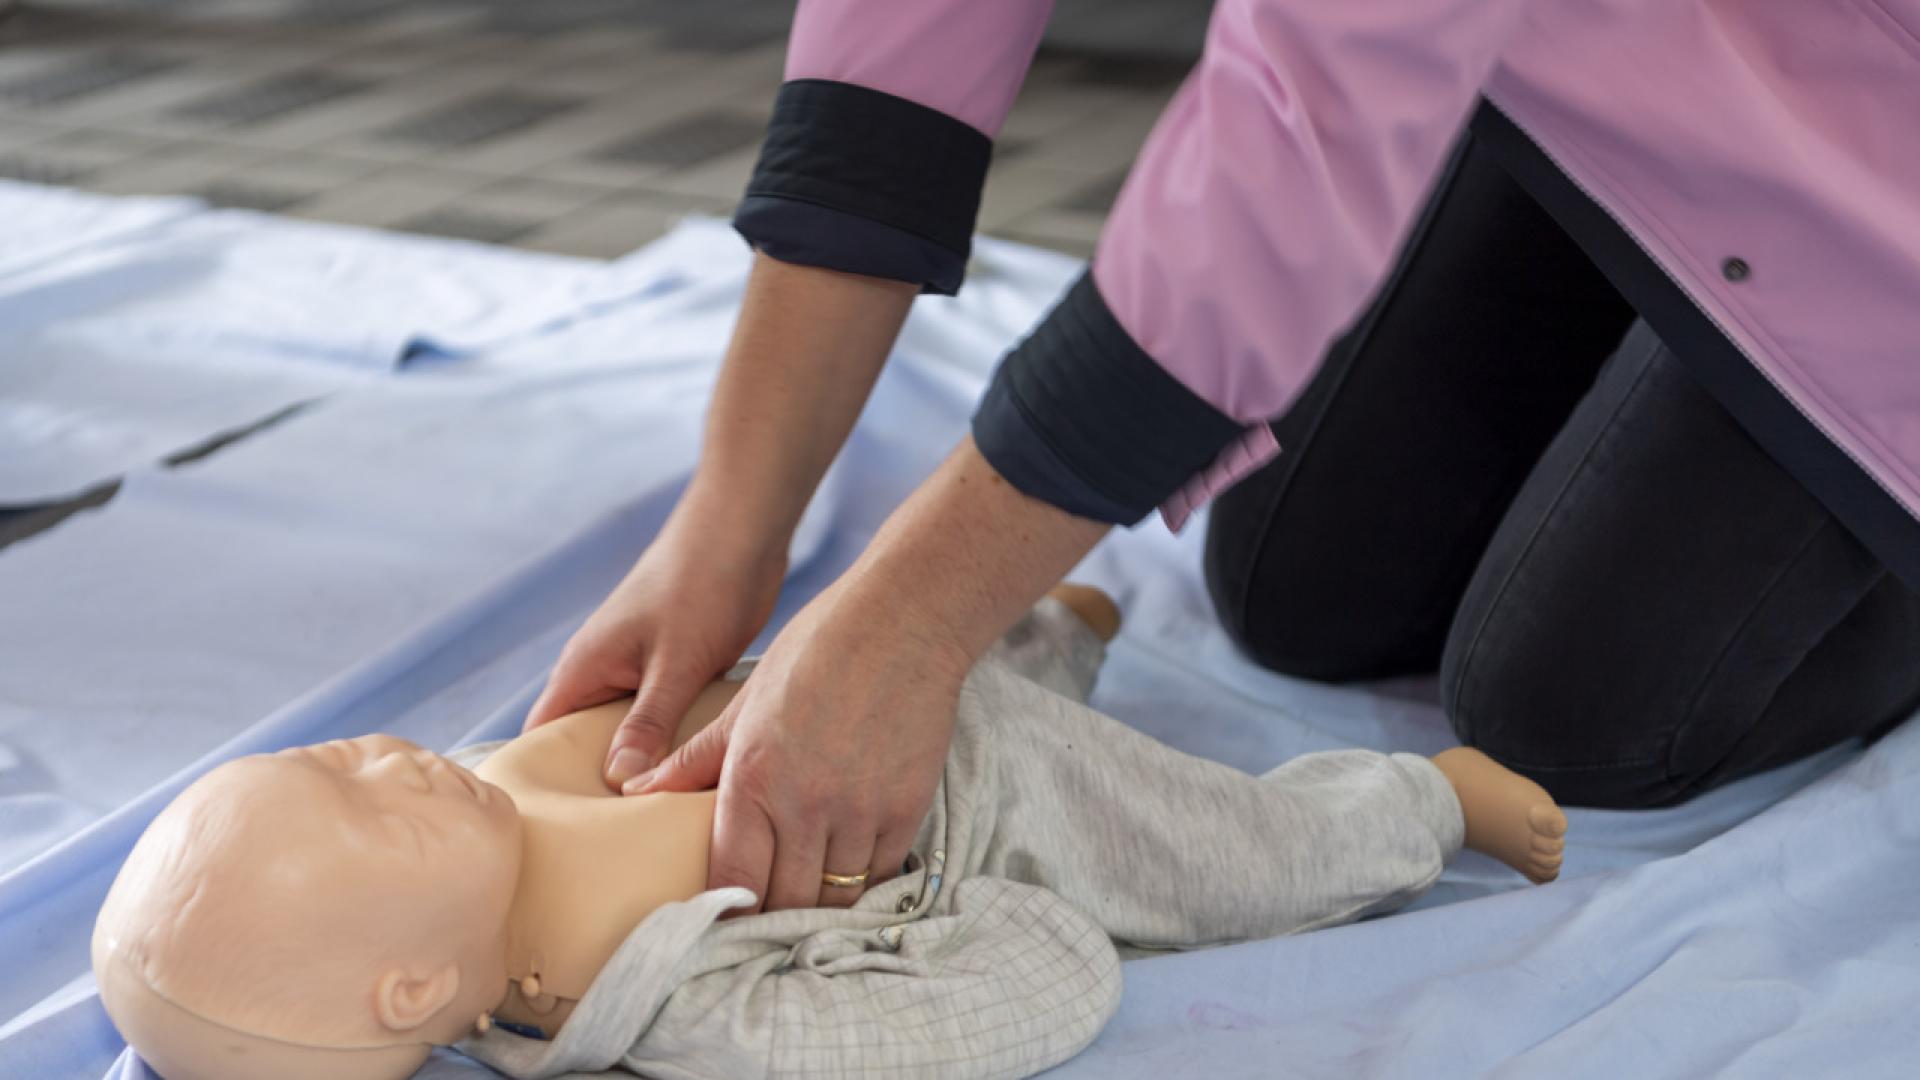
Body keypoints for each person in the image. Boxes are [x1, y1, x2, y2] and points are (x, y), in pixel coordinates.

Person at [529, 1, 1920, 915]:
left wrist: (906, 623)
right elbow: (903, 45)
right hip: (1625, 60)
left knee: (1578, 715)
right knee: (1299, 585)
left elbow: (1290, 149)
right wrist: (730, 519)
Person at [93, 589, 1564, 1080]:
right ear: (414, 992)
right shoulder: (677, 1011)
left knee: (967, 640)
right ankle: (1427, 802)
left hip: (843, 680)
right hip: (984, 808)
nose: (385, 757)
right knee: (1234, 856)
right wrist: (981, 910)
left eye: (329, 756)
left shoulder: (471, 812)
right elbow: (1025, 990)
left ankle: (1044, 627)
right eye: (364, 805)